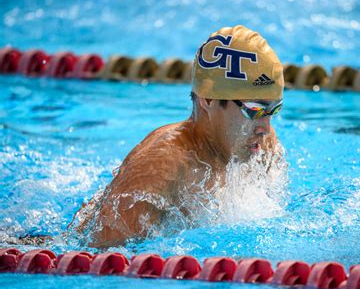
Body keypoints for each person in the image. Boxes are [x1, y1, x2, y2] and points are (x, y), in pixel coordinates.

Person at [72, 25, 285, 248]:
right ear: (208, 100)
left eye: (273, 109)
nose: (265, 128)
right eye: (254, 110)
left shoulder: (262, 147)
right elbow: (101, 256)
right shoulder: (160, 167)